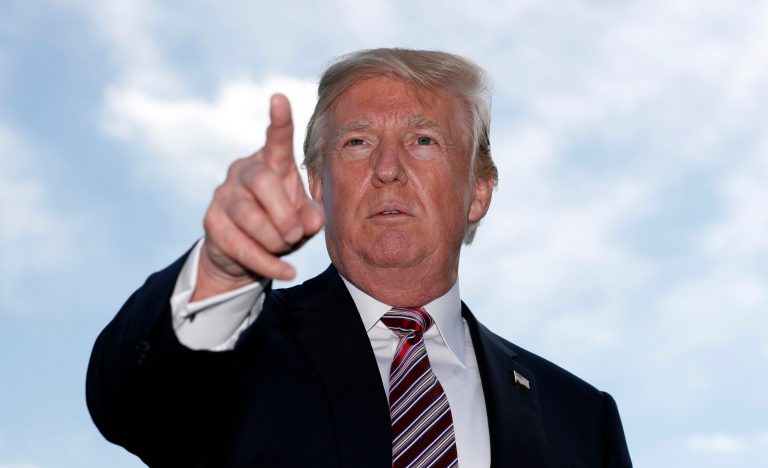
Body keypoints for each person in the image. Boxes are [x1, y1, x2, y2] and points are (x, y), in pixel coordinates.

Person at [87, 48, 632, 467]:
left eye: (424, 140)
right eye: (357, 143)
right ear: (318, 185)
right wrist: (221, 269)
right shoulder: (237, 352)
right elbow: (133, 406)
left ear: (478, 192)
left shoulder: (582, 418)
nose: (388, 168)